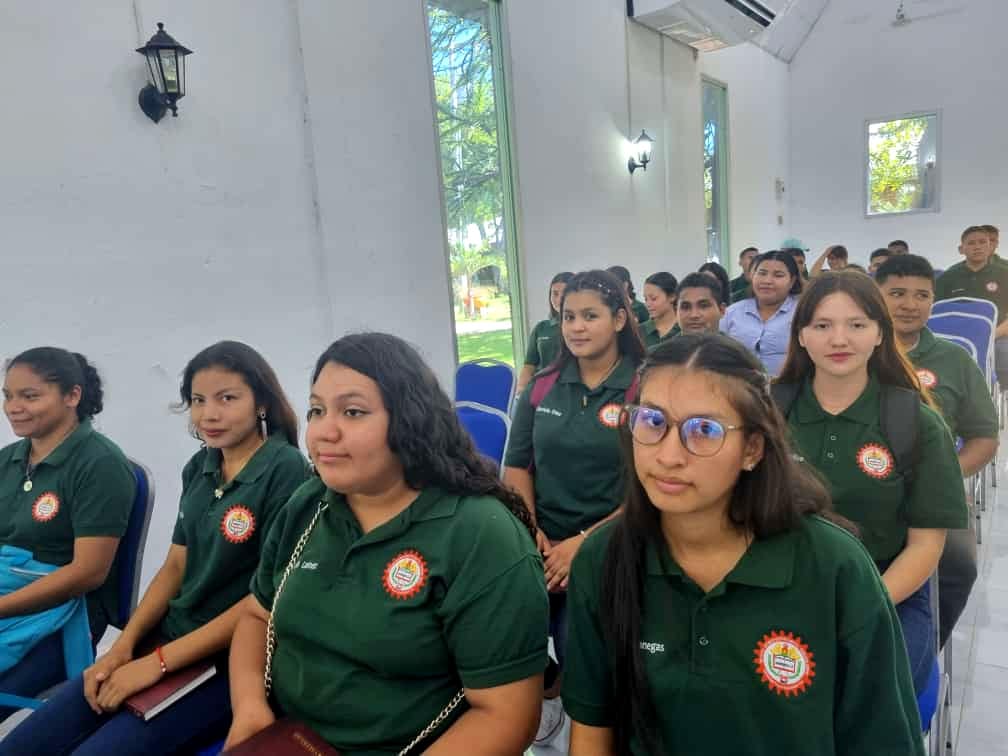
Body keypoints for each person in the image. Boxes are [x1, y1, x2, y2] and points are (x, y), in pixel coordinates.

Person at [562, 334, 924, 756]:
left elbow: (882, 740)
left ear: (752, 448)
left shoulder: (834, 566)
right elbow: (592, 732)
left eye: (703, 430)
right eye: (652, 421)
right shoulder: (605, 557)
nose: (669, 455)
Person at [223, 333, 549, 753]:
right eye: (317, 410)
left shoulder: (479, 534)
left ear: (409, 420)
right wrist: (250, 708)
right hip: (286, 738)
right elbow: (255, 616)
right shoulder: (309, 504)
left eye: (353, 412)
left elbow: (505, 715)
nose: (324, 432)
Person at [0, 342, 309, 755]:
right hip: (169, 635)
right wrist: (124, 647)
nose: (209, 414)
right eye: (198, 401)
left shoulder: (286, 471)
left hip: (230, 658)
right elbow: (174, 567)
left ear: (262, 404)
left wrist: (155, 664)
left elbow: (264, 601)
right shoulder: (201, 466)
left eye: (227, 398)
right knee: (24, 744)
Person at [776, 272, 968, 696]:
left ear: (880, 333)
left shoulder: (916, 423)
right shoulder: (768, 414)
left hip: (885, 589)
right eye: (822, 326)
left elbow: (925, 546)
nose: (839, 339)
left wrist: (861, 604)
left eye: (857, 325)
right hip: (778, 584)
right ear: (802, 336)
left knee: (867, 695)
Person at [504, 270, 647, 667]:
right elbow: (516, 467)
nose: (576, 327)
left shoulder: (643, 388)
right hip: (542, 545)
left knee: (579, 651)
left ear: (619, 320)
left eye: (590, 316)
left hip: (613, 544)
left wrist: (585, 544)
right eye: (568, 316)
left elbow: (653, 484)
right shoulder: (543, 385)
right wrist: (531, 530)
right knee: (511, 641)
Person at [0, 348, 135, 717]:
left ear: (72, 396)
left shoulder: (100, 464)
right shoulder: (9, 459)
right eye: (8, 396)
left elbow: (88, 572)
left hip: (58, 614)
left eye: (30, 396)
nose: (13, 407)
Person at [876, 256, 997, 647]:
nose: (909, 304)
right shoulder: (851, 351)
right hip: (860, 483)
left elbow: (984, 438)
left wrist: (945, 477)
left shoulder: (955, 360)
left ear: (933, 301)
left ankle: (927, 649)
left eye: (921, 295)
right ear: (875, 297)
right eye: (896, 293)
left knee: (958, 565)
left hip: (933, 489)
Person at [935, 225, 1008, 385]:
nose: (977, 247)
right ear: (961, 249)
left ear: (991, 247)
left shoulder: (1004, 274)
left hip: (998, 336)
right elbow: (935, 312)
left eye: (982, 242)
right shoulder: (948, 277)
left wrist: (992, 335)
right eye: (971, 243)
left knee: (1005, 354)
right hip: (955, 337)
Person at [720, 251, 802, 376]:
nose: (767, 281)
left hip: (789, 389)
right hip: (739, 389)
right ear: (753, 276)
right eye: (762, 273)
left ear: (792, 281)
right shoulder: (733, 312)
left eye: (778, 275)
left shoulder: (802, 312)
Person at [518, 272, 574, 393]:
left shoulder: (580, 328)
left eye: (564, 293)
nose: (559, 299)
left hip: (571, 390)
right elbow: (529, 365)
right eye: (554, 293)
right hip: (541, 388)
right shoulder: (541, 328)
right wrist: (521, 390)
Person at [641, 272, 679, 348]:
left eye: (653, 299)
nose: (648, 304)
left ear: (672, 296)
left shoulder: (684, 329)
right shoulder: (639, 331)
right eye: (646, 299)